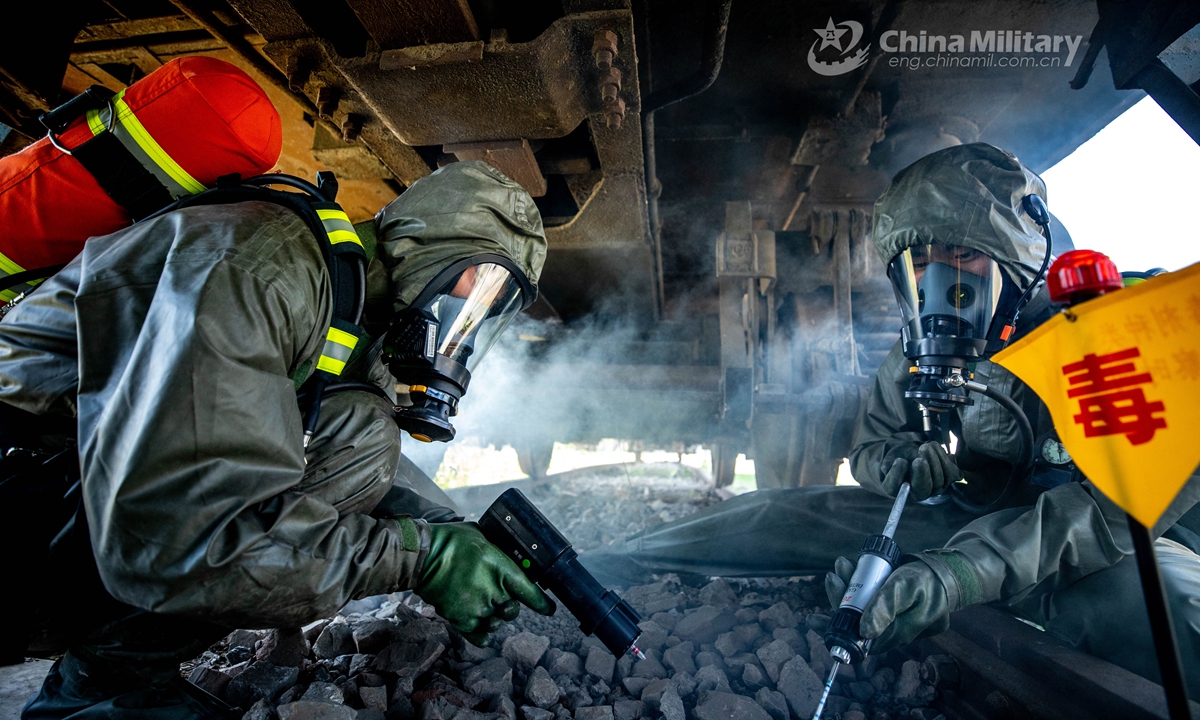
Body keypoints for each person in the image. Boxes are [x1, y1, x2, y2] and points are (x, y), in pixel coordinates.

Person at [581, 143, 1200, 691]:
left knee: (1168, 606)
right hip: (978, 525)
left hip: (1122, 546)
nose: (939, 284)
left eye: (962, 255)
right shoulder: (925, 340)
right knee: (782, 514)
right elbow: (873, 446)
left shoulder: (1119, 323)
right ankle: (605, 562)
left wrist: (960, 574)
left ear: (1020, 257)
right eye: (919, 263)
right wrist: (900, 467)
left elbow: (1113, 513)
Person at [1, 160, 553, 718]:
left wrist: (447, 528)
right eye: (481, 281)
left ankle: (113, 678)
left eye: (499, 302)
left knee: (364, 433)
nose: (476, 311)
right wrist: (419, 558)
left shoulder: (356, 308)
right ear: (417, 243)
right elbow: (185, 535)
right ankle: (104, 688)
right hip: (21, 497)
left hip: (64, 498)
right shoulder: (259, 270)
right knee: (357, 441)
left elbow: (334, 451)